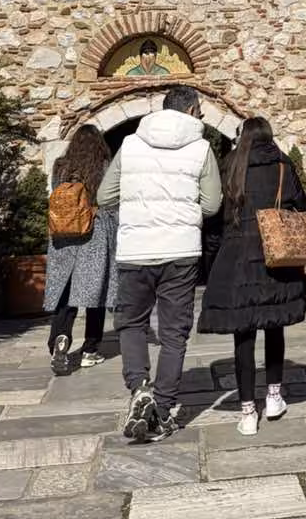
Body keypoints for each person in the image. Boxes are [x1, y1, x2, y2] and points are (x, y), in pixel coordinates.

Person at [97, 85, 222, 442]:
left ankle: (139, 388)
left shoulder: (131, 144)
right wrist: (181, 212)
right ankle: (163, 409)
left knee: (132, 324)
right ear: (192, 109)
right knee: (173, 332)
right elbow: (212, 205)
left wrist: (138, 207)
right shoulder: (202, 148)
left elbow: (105, 195)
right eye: (199, 111)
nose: (200, 117)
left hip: (135, 249)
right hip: (181, 250)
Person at [198, 116, 306, 435]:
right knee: (274, 327)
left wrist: (214, 257)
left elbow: (217, 216)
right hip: (276, 255)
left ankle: (248, 411)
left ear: (243, 136)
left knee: (243, 334)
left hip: (238, 255)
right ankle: (274, 396)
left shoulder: (231, 163)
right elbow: (301, 207)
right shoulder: (282, 165)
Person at [43, 125, 118, 375]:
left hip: (63, 236)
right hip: (94, 233)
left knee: (65, 293)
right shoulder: (103, 165)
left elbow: (55, 193)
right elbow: (110, 200)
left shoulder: (60, 166)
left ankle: (60, 339)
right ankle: (90, 349)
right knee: (95, 293)